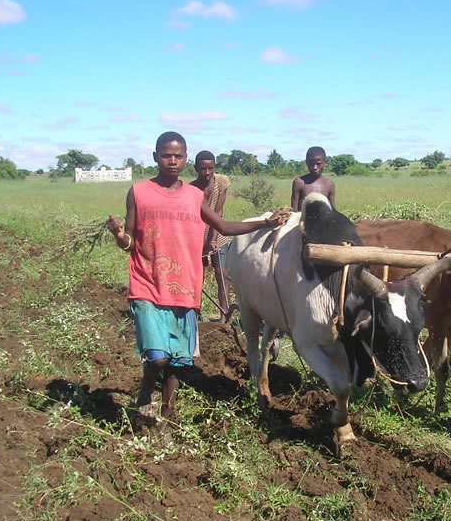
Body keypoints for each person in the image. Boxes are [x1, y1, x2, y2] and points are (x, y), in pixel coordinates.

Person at [106, 131, 285, 431]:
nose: (172, 160)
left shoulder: (194, 196)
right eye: (166, 155)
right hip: (148, 283)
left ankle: (166, 413)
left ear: (185, 159)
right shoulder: (138, 192)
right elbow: (129, 243)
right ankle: (145, 389)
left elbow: (224, 225)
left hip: (185, 286)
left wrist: (264, 223)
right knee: (158, 358)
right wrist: (118, 233)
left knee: (177, 361)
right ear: (155, 157)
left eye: (177, 156)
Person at [190, 150, 232, 323]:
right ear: (195, 168)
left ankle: (225, 316)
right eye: (202, 169)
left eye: (211, 169)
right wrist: (203, 242)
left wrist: (213, 240)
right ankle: (195, 313)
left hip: (217, 234)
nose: (207, 173)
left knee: (221, 273)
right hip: (196, 236)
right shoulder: (190, 189)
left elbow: (218, 212)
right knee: (195, 276)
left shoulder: (221, 182)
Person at [291, 146, 336, 212]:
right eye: (311, 164)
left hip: (324, 221)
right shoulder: (299, 183)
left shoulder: (329, 184)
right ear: (306, 162)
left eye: (318, 164)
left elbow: (333, 211)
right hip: (303, 221)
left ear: (325, 163)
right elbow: (294, 211)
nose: (315, 167)